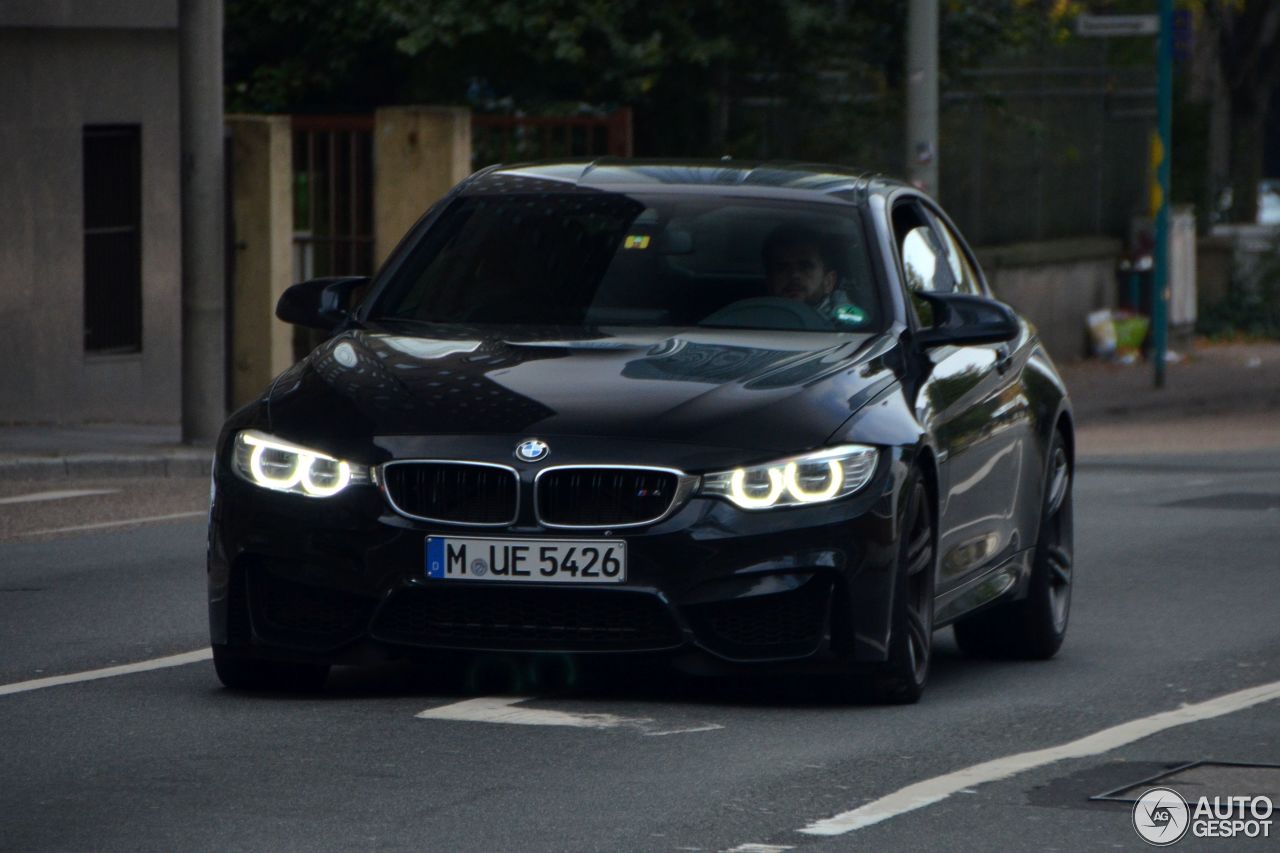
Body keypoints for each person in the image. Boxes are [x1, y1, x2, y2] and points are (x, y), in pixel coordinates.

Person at [761, 225, 866, 326]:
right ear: (770, 280)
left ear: (829, 281)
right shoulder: (754, 318)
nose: (794, 275)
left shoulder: (848, 325)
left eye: (805, 266)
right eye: (782, 268)